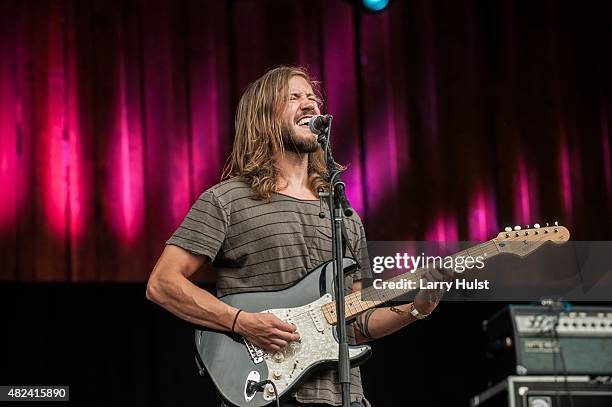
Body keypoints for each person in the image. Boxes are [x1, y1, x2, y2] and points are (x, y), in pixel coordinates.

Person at [146, 66, 445, 407]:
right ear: (263, 118)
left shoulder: (344, 215)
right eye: (293, 97)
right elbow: (162, 283)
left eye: (312, 98)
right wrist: (241, 322)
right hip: (270, 393)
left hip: (345, 398)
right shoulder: (227, 200)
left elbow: (353, 325)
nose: (309, 104)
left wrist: (415, 310)